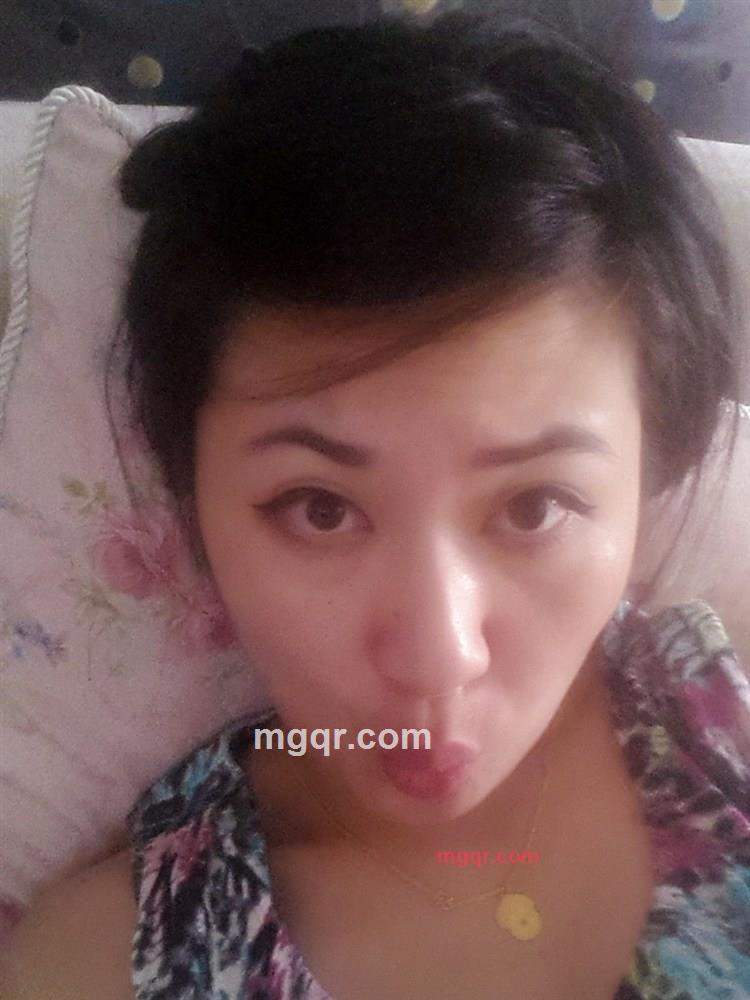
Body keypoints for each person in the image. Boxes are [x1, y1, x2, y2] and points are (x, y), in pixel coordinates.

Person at [3, 9, 750, 1000]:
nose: (438, 656)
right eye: (318, 508)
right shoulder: (98, 963)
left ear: (645, 484)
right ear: (194, 492)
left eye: (535, 505)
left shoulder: (728, 730)